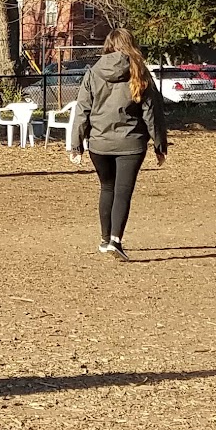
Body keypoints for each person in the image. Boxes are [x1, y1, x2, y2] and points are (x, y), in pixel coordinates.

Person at [68, 26, 168, 261]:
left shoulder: (93, 72)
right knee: (123, 192)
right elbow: (152, 113)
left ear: (108, 45)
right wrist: (160, 145)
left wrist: (76, 145)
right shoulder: (140, 72)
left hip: (99, 143)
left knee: (107, 189)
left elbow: (82, 109)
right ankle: (116, 239)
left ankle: (105, 240)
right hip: (131, 143)